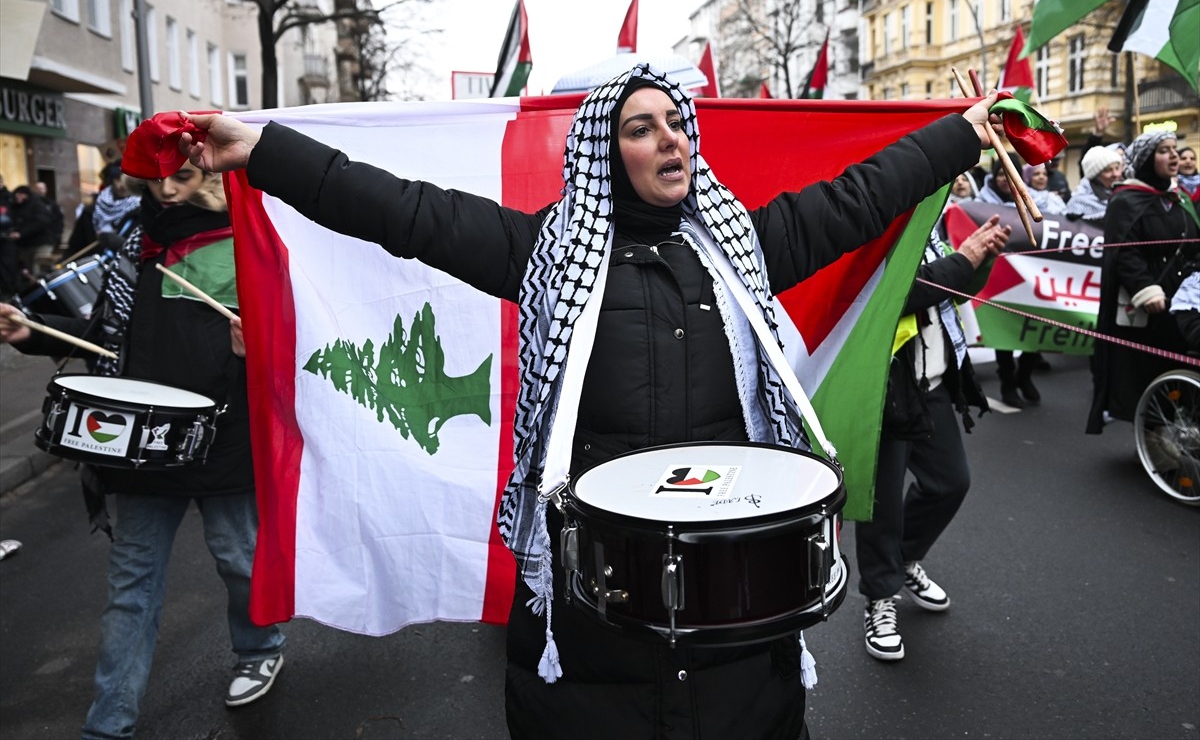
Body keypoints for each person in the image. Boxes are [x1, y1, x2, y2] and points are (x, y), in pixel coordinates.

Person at [176, 64, 1000, 740]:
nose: (668, 136)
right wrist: (262, 151)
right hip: (592, 612)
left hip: (733, 618)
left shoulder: (746, 247)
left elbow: (863, 194)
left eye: (676, 122)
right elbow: (403, 211)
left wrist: (963, 133)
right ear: (606, 153)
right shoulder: (542, 254)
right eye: (641, 127)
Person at [0, 162, 286, 739]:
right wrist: (29, 329)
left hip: (221, 435)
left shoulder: (250, 235)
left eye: (181, 175)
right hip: (135, 440)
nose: (167, 189)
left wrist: (256, 345)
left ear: (209, 172)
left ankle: (259, 648)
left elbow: (291, 335)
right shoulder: (138, 239)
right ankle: (108, 727)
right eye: (157, 178)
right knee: (131, 586)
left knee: (238, 558)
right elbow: (104, 332)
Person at [857, 214, 1010, 661]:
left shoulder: (930, 226)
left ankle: (902, 561)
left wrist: (978, 260)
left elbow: (953, 291)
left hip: (935, 384)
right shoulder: (874, 223)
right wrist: (966, 260)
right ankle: (880, 596)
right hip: (887, 389)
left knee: (950, 483)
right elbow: (901, 293)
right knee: (881, 502)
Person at [1087, 131, 1198, 433]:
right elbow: (1123, 253)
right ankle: (1155, 437)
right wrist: (1146, 289)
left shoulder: (1179, 199)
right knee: (1146, 373)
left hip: (1183, 300)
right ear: (1148, 159)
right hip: (1148, 304)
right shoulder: (1126, 199)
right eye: (1164, 150)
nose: (1174, 156)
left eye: (1175, 149)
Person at [973, 156, 1041, 406]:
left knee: (1033, 328)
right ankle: (1007, 383)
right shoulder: (979, 204)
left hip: (1030, 276)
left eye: (1009, 174)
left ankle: (1024, 375)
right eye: (1001, 174)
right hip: (998, 277)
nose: (1005, 179)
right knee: (1004, 329)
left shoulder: (1036, 201)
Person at [10, 184, 55, 283]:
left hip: (41, 243)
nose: (18, 197)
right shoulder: (15, 207)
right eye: (17, 194)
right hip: (25, 245)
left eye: (21, 194)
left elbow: (40, 222)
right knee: (29, 272)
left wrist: (21, 233)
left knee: (38, 269)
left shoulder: (37, 205)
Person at [1066, 145, 1124, 222]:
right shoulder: (1078, 204)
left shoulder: (1124, 195)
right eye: (1108, 170)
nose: (1116, 174)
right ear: (1095, 175)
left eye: (1117, 168)